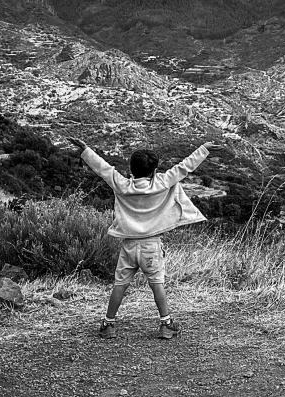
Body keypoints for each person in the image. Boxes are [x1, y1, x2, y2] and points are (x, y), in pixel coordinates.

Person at [67, 137, 219, 340]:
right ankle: (166, 325)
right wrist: (203, 149)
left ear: (131, 169)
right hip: (151, 245)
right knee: (157, 284)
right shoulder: (163, 182)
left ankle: (108, 324)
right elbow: (184, 167)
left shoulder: (121, 185)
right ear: (154, 171)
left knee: (119, 285)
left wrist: (85, 150)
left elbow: (103, 168)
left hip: (128, 245)